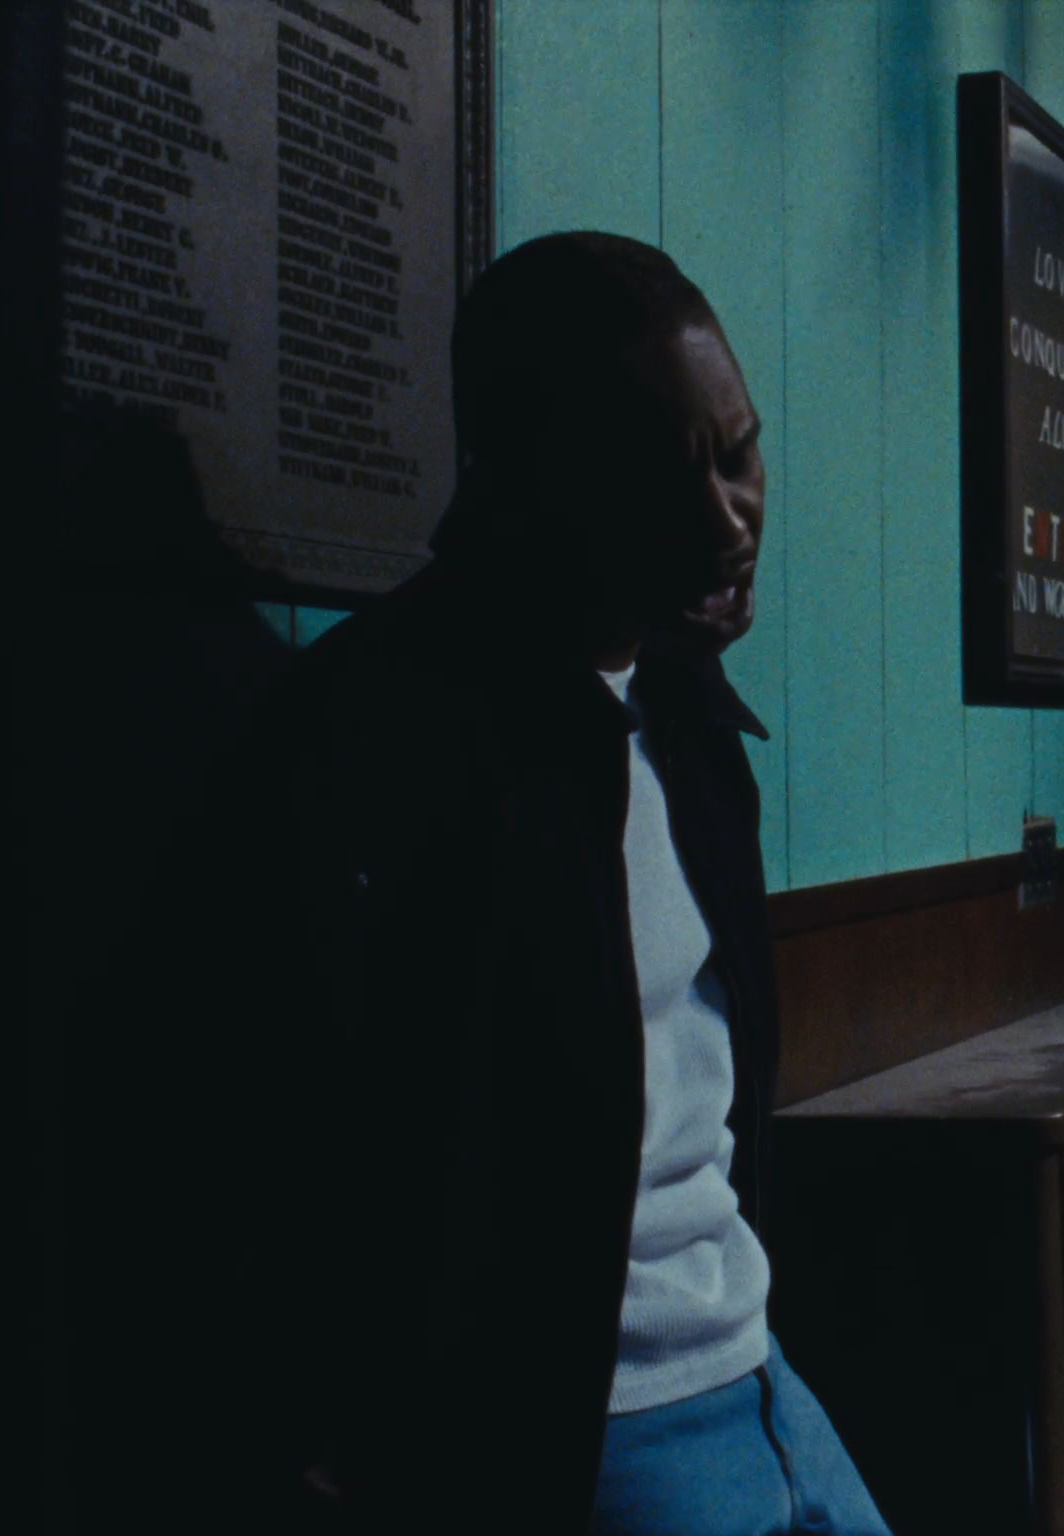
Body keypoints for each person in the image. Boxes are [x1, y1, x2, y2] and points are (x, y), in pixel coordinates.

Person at [80, 232, 890, 1535]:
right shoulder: (370, 736)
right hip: (579, 1431)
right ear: (529, 486)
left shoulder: (688, 714)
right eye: (659, 474)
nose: (728, 515)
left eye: (738, 453)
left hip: (755, 1368)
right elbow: (222, 1114)